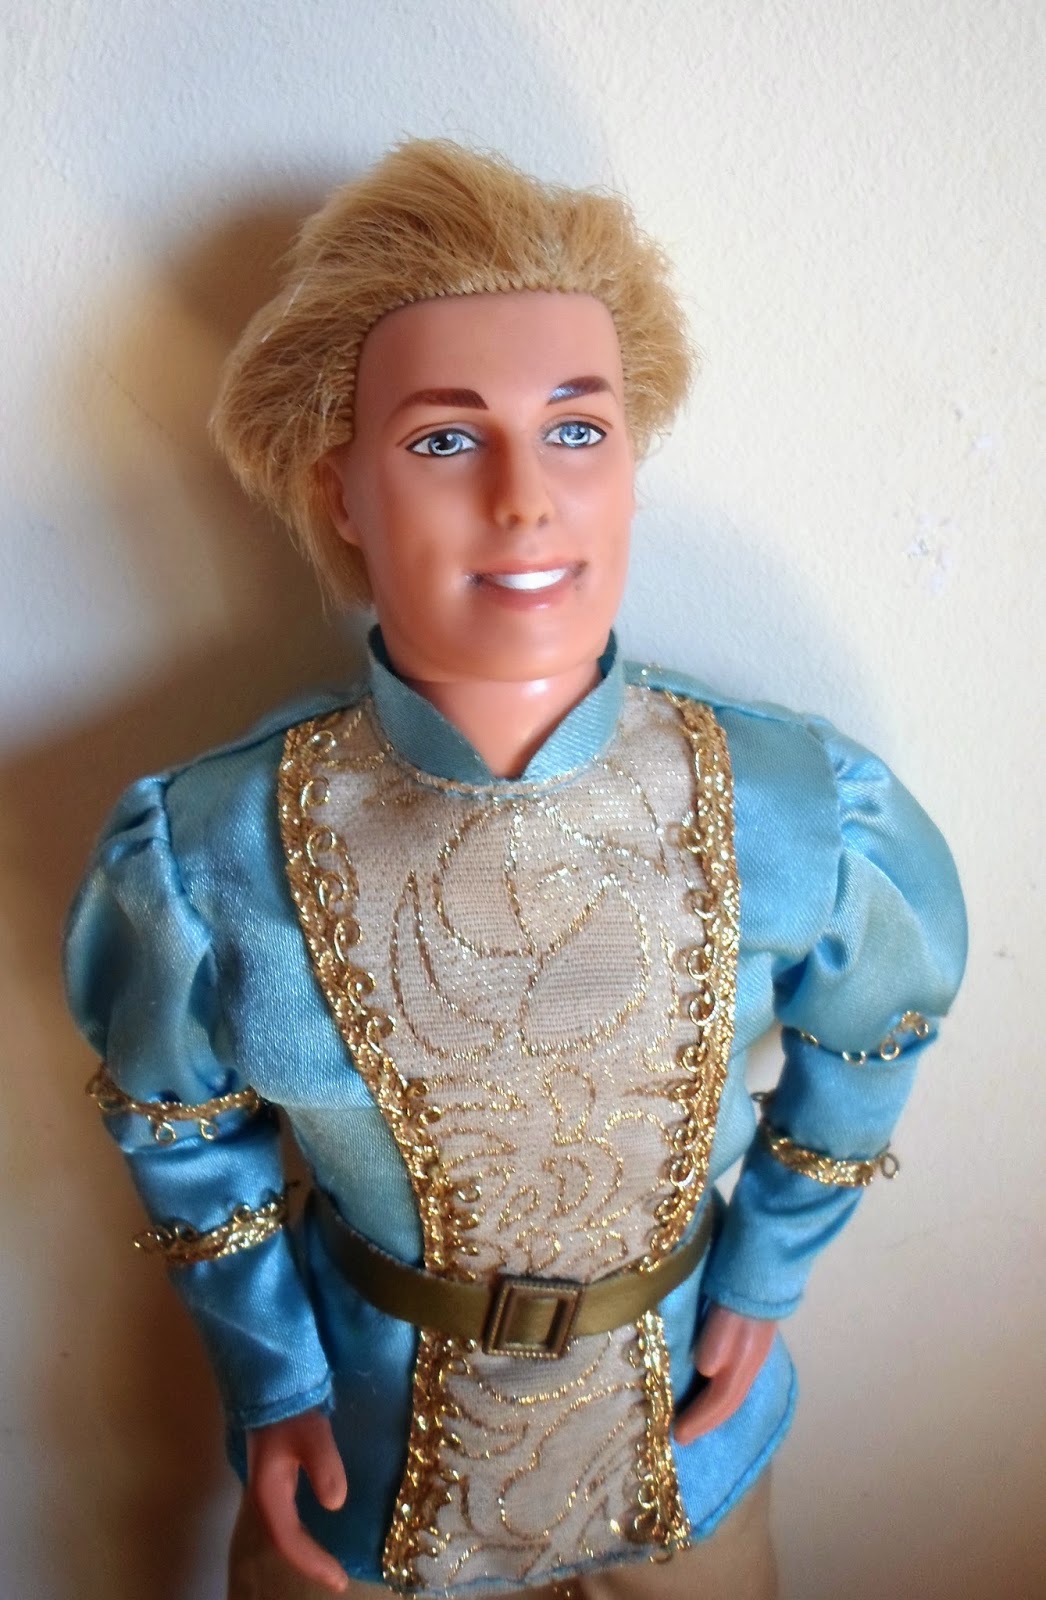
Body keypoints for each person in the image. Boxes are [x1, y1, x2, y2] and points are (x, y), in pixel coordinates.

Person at [63, 141, 967, 1600]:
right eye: (442, 441)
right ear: (340, 491)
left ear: (630, 463)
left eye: (577, 429)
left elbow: (877, 1027)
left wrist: (765, 1268)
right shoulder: (214, 852)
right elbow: (181, 1120)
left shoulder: (793, 809)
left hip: (687, 1446)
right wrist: (268, 1370)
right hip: (361, 1472)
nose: (524, 498)